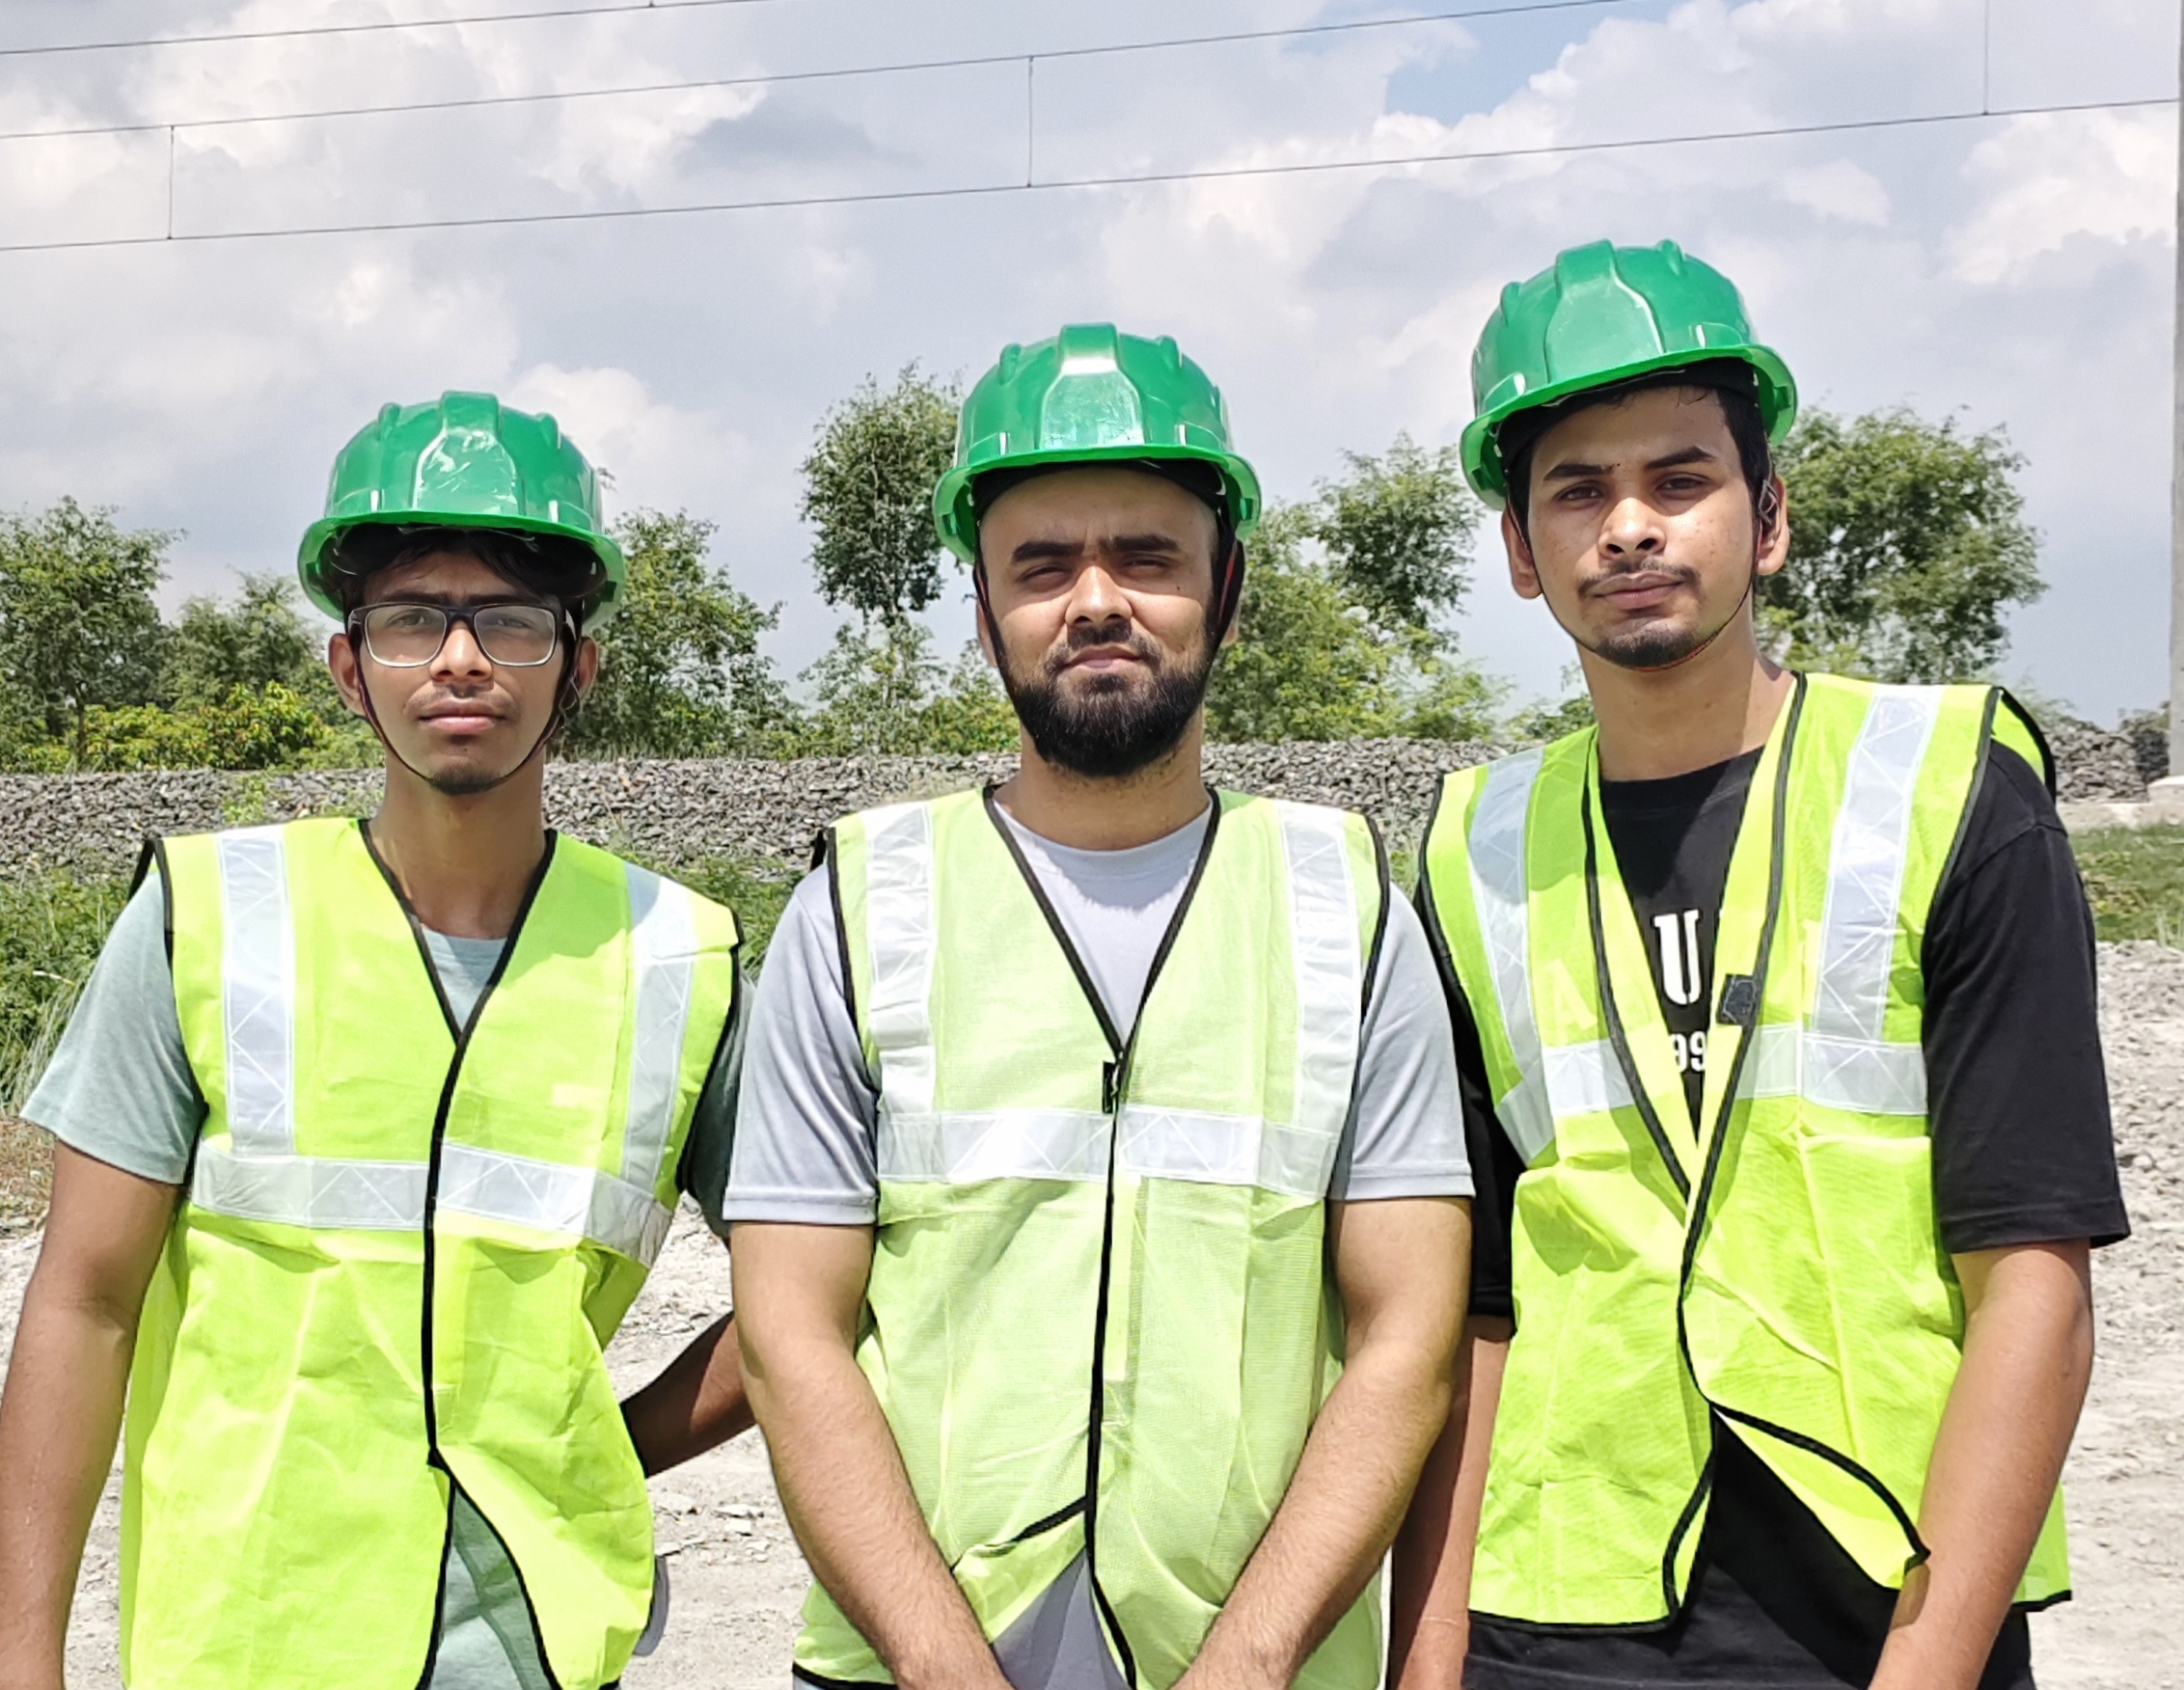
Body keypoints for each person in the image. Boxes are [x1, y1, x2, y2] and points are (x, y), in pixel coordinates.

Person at [1393, 240, 2130, 1690]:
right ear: (1523, 554)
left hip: (1885, 1602)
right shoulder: (1475, 849)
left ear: (1770, 516)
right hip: (1557, 1612)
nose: (1630, 528)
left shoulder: (1947, 793)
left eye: (1680, 480)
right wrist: (1428, 1660)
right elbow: (1472, 1311)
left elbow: (2033, 1280)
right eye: (1578, 492)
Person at [727, 323, 1473, 1690]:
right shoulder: (859, 907)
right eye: (1041, 565)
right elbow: (789, 1335)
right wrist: (942, 1666)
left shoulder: (1348, 908)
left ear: (1225, 591)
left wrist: (1249, 1663)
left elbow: (1409, 1336)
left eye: (1146, 557)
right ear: (983, 611)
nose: (1094, 600)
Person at [0, 392, 754, 1690]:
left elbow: (811, 1301)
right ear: (352, 669)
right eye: (412, 619)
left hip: (531, 1653)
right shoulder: (203, 922)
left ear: (577, 669)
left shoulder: (680, 957)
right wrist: (24, 1660)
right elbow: (83, 1303)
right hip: (245, 1641)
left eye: (511, 620)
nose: (460, 659)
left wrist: (599, 1451)